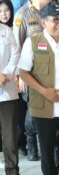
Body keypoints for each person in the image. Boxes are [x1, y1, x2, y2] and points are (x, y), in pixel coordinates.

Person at [18, 1, 59, 175]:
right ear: (43, 23)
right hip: (42, 107)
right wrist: (45, 92)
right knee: (47, 154)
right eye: (55, 20)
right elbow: (24, 73)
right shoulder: (32, 42)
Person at [13, 0, 53, 162]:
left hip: (51, 70)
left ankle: (48, 147)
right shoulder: (22, 14)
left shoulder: (51, 12)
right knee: (32, 112)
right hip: (31, 72)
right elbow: (17, 47)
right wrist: (20, 74)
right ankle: (31, 145)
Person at [0, 21, 20, 175]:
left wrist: (5, 74)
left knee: (10, 136)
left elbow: (15, 53)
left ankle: (12, 171)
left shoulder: (6, 30)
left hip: (7, 91)